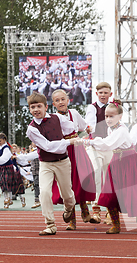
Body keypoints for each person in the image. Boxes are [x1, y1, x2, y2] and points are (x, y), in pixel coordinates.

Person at [84, 100, 137, 233]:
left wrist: (90, 142)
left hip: (128, 160)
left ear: (120, 116)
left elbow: (107, 144)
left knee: (130, 191)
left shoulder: (121, 130)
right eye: (106, 116)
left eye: (111, 116)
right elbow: (109, 144)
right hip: (115, 160)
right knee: (110, 192)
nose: (108, 119)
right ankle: (116, 224)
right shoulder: (110, 128)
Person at [26, 91, 77, 235]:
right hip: (46, 164)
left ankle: (69, 208)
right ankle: (50, 224)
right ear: (30, 109)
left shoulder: (57, 118)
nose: (36, 110)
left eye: (39, 106)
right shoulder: (31, 129)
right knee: (45, 192)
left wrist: (80, 132)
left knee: (67, 195)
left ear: (46, 107)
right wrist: (69, 141)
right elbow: (47, 146)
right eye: (33, 107)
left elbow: (71, 127)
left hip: (63, 162)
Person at [51, 89, 96, 230]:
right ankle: (72, 219)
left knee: (82, 178)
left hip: (77, 149)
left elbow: (84, 126)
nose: (60, 102)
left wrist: (90, 130)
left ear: (68, 100)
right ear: (53, 104)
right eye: (57, 100)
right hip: (63, 150)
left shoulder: (74, 113)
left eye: (62, 99)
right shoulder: (52, 118)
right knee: (67, 184)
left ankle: (85, 211)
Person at [85, 81, 113, 223]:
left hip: (109, 146)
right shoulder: (92, 108)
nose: (103, 95)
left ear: (110, 94)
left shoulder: (114, 108)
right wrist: (89, 129)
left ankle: (110, 211)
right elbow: (90, 124)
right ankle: (96, 210)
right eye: (100, 93)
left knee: (110, 177)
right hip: (95, 145)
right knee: (97, 174)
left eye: (105, 93)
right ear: (97, 94)